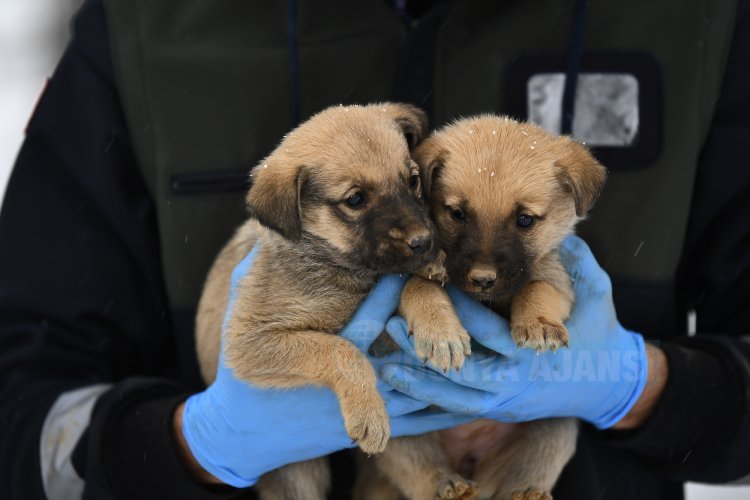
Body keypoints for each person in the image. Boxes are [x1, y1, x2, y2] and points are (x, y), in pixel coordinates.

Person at [0, 0, 749, 499]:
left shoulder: (702, 19)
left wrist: (640, 386)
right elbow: (22, 399)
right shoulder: (146, 25)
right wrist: (187, 447)